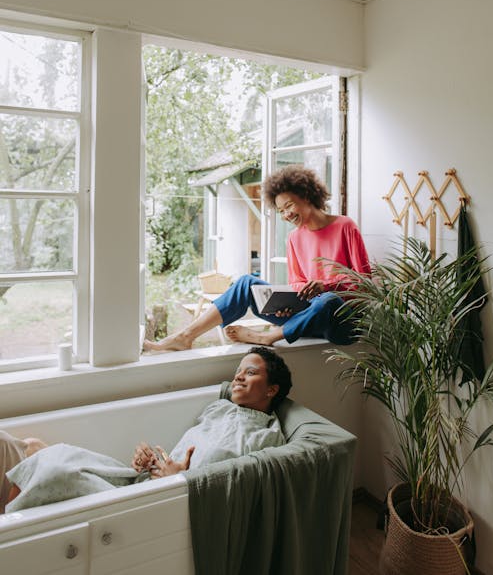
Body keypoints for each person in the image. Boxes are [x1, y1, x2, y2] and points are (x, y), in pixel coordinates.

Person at [1, 347, 291, 512]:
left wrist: (181, 479)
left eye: (250, 372)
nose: (238, 376)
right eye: (239, 370)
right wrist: (151, 462)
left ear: (272, 390)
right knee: (46, 450)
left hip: (166, 502)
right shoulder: (218, 409)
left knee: (54, 470)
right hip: (143, 484)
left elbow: (241, 492)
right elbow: (178, 457)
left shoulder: (267, 437)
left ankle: (8, 526)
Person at [143, 164, 370, 352]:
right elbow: (297, 283)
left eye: (289, 205)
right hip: (305, 318)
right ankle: (186, 336)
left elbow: (365, 285)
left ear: (307, 195)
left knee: (327, 300)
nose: (286, 214)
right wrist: (287, 304)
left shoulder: (345, 227)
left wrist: (324, 286)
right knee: (246, 284)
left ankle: (267, 337)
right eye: (281, 211)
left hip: (340, 322)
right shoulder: (294, 238)